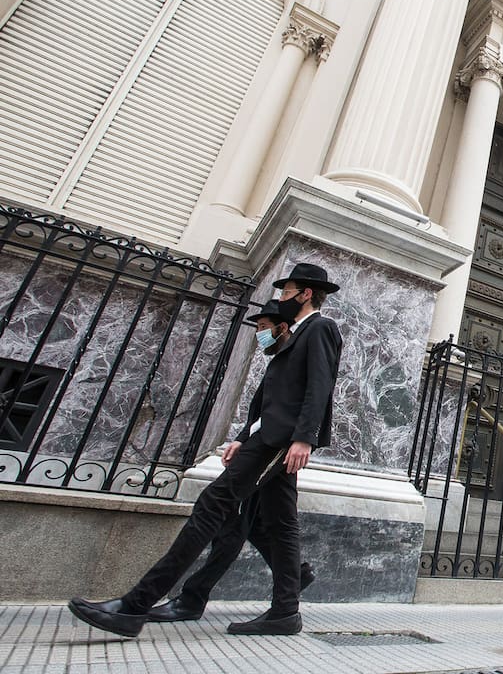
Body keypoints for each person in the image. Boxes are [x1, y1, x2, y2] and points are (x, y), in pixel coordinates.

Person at [67, 263, 343, 637]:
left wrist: (304, 438)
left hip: (280, 440)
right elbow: (270, 400)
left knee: (214, 504)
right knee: (279, 524)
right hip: (267, 437)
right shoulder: (292, 336)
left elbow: (320, 385)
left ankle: (135, 605)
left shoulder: (320, 328)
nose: (281, 299)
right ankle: (284, 612)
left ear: (305, 293)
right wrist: (243, 437)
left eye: (286, 292)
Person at [146, 299, 316, 623]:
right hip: (260, 445)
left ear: (283, 327)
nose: (259, 333)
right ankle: (293, 578)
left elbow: (309, 400)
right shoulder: (280, 359)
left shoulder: (300, 355)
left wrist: (301, 439)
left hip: (272, 449)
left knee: (231, 521)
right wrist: (241, 438)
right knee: (252, 524)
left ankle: (187, 598)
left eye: (264, 327)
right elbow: (262, 411)